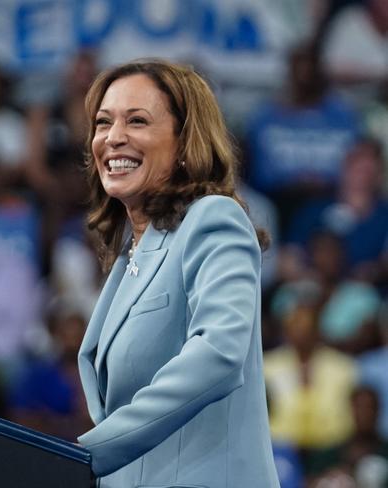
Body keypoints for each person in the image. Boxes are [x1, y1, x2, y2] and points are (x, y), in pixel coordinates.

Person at [76, 60, 279, 487]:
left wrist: (91, 452)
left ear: (185, 142)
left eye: (137, 121)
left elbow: (219, 353)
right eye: (103, 122)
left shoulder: (212, 219)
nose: (113, 138)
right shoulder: (130, 255)